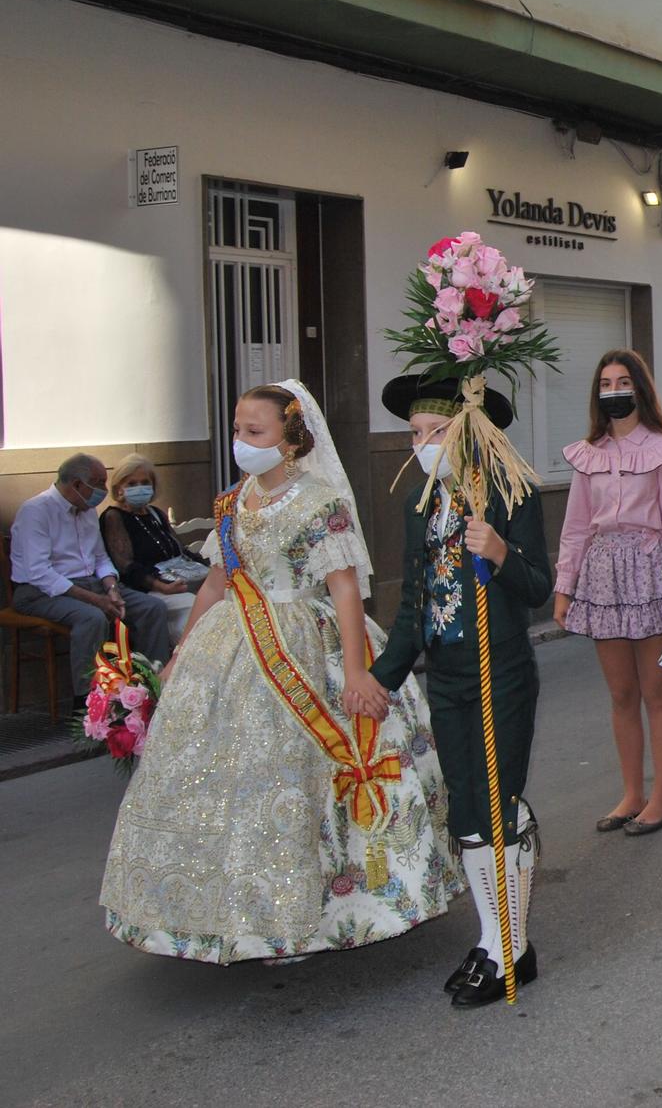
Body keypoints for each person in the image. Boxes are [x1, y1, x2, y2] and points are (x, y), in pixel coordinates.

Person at [100, 382, 455, 964]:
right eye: (238, 430)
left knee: (292, 783)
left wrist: (359, 673)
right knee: (216, 781)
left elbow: (343, 590)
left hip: (306, 644)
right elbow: (218, 581)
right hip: (232, 643)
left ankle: (314, 915)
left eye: (255, 432)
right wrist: (186, 646)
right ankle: (226, 916)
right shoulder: (233, 502)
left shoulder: (319, 502)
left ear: (290, 440)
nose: (242, 441)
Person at [373, 372, 553, 1007]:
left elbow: (538, 588)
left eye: (433, 431)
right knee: (467, 811)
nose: (420, 444)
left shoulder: (508, 491)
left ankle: (513, 947)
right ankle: (492, 937)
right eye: (414, 434)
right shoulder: (420, 503)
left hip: (498, 671)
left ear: (470, 430)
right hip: (447, 675)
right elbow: (413, 604)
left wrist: (500, 552)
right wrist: (381, 678)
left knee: (497, 804)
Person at [555, 350, 662, 838]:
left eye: (623, 381)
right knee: (620, 694)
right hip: (602, 577)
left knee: (657, 692)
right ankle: (632, 793)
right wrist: (564, 587)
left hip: (653, 575)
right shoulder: (586, 453)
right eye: (605, 383)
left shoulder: (661, 449)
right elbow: (574, 528)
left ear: (639, 388)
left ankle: (661, 797)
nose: (613, 390)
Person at [9, 453, 175, 706]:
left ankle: (156, 688)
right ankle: (87, 703)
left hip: (92, 584)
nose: (103, 490)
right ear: (76, 484)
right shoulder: (36, 511)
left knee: (152, 608)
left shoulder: (86, 510)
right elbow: (40, 572)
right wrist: (96, 600)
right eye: (98, 483)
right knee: (91, 618)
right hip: (39, 592)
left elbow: (100, 558)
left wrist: (111, 588)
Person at [100, 453, 208, 641]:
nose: (139, 488)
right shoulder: (114, 517)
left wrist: (209, 568)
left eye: (144, 483)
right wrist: (161, 586)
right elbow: (125, 566)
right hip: (148, 589)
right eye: (132, 484)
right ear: (119, 489)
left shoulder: (155, 514)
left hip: (179, 582)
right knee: (195, 608)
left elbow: (180, 551)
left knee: (219, 602)